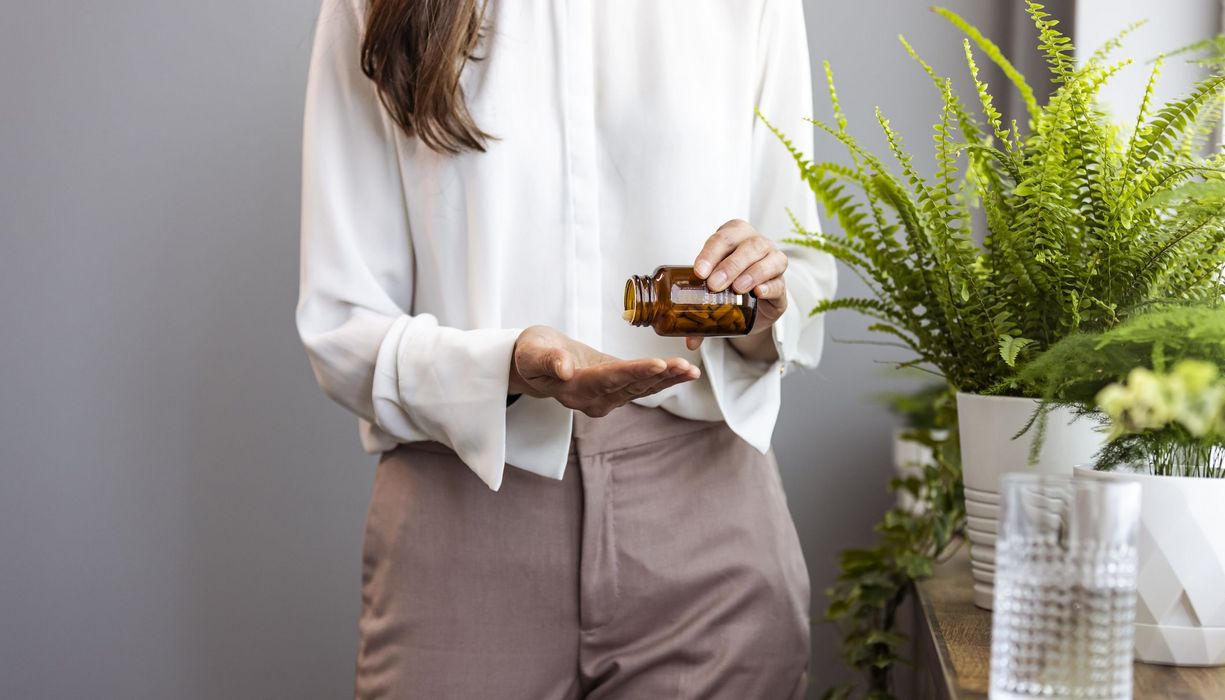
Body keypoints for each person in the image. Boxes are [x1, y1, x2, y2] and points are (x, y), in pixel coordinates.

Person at [296, 0, 836, 697]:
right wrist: (507, 364)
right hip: (462, 519)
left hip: (706, 530)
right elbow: (341, 323)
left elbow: (802, 270)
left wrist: (762, 301)